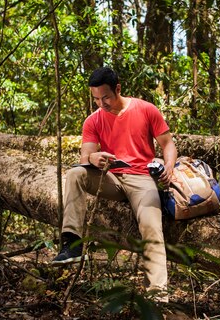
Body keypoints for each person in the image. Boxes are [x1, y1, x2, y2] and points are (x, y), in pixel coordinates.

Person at [52, 66, 177, 301]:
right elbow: (84, 158)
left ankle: (157, 296)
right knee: (75, 174)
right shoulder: (93, 121)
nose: (101, 103)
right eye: (96, 99)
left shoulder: (146, 109)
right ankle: (72, 245)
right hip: (110, 177)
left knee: (151, 225)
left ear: (118, 89)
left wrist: (169, 167)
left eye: (106, 97)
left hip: (141, 178)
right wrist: (92, 158)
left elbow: (167, 144)